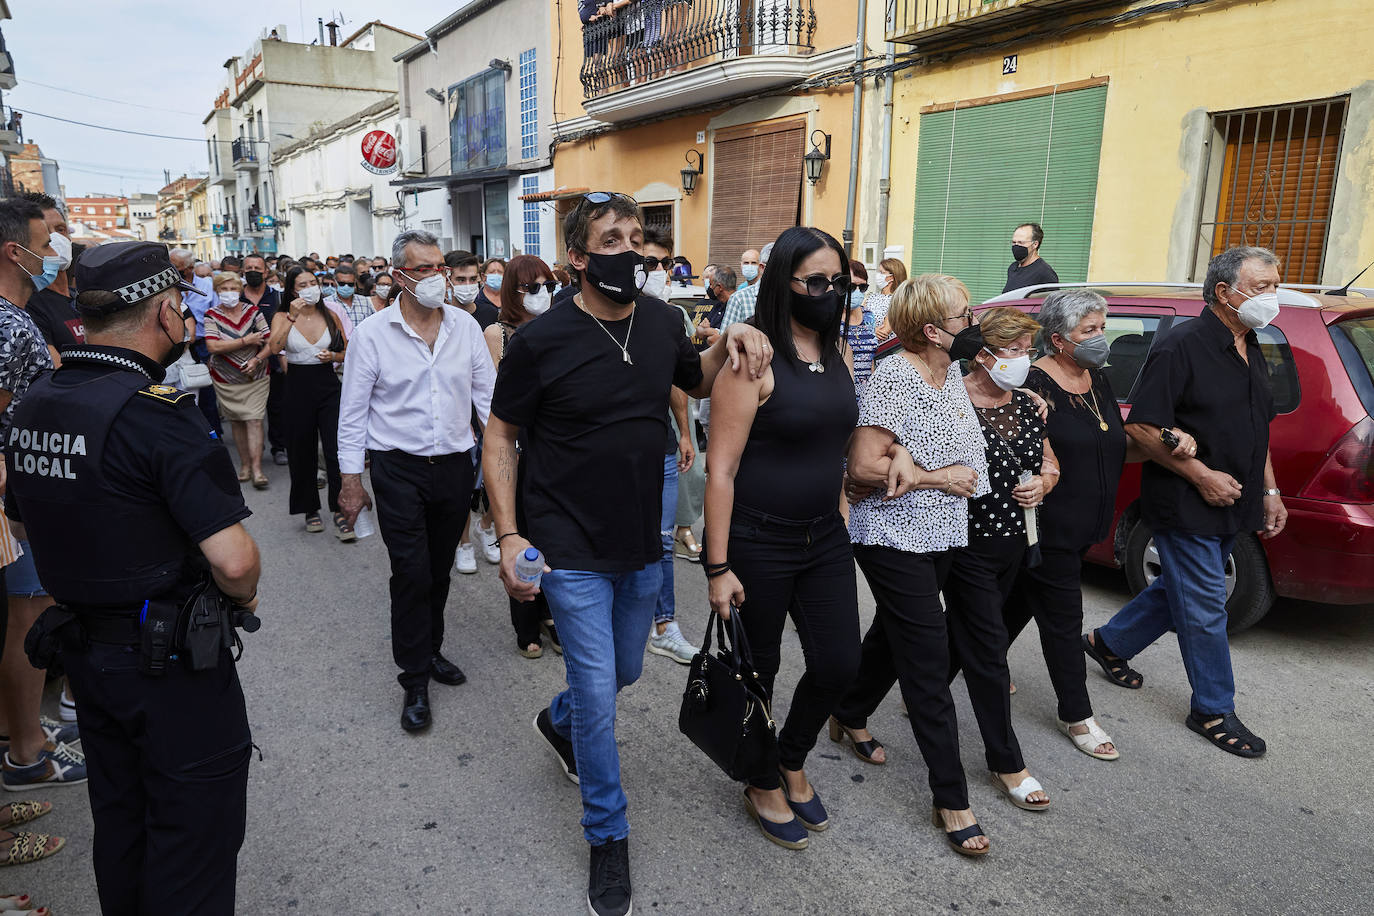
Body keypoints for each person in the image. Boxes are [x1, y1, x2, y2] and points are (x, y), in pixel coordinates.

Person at [483, 191, 770, 916]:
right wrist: (511, 534)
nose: (632, 249)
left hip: (640, 538)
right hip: (568, 543)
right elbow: (499, 437)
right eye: (612, 238)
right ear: (578, 258)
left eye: (638, 237)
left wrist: (730, 343)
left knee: (626, 670)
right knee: (600, 694)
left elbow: (693, 378)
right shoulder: (540, 342)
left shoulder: (663, 320)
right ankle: (607, 835)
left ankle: (560, 718)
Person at [6, 240, 262, 914]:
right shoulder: (158, 417)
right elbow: (234, 562)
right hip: (170, 662)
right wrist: (243, 594)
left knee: (122, 822)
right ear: (166, 313)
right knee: (192, 839)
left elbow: (27, 521)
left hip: (87, 654)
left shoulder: (36, 403)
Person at [853, 308, 1056, 809]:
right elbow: (876, 453)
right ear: (981, 353)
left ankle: (848, 708)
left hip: (998, 540)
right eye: (1013, 350)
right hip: (949, 535)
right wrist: (911, 468)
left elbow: (1048, 462)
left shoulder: (1027, 403)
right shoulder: (941, 388)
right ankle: (1000, 766)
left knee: (896, 636)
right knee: (973, 649)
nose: (1024, 360)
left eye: (1028, 350)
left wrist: (1046, 480)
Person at [1088, 247, 1283, 758]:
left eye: (1274, 285)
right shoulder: (1182, 346)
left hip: (1233, 499)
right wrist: (1200, 475)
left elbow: (1258, 428)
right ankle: (1213, 709)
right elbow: (1142, 427)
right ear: (1224, 292)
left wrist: (1270, 489)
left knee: (1181, 586)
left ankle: (1109, 644)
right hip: (1186, 500)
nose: (1272, 297)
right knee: (1204, 607)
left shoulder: (1250, 343)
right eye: (1261, 287)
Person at [705, 226, 860, 849]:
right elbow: (720, 469)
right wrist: (717, 567)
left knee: (839, 662)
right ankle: (762, 777)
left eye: (839, 282)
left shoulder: (840, 352)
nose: (830, 292)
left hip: (824, 537)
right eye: (815, 282)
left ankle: (792, 755)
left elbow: (838, 444)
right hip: (758, 539)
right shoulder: (754, 359)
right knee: (758, 669)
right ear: (784, 284)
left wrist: (844, 505)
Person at [832, 274, 995, 856]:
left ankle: (848, 711)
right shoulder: (897, 376)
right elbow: (862, 470)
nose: (971, 324)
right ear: (931, 329)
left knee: (891, 635)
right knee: (928, 653)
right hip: (891, 536)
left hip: (943, 532)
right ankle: (951, 797)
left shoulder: (949, 373)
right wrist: (935, 476)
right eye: (963, 317)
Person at [1005, 288, 1195, 761]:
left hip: (1084, 526)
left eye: (1102, 327)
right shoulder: (1033, 384)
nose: (1102, 338)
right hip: (1044, 528)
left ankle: (928, 685)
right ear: (1058, 339)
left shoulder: (1096, 381)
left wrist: (1165, 444)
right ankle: (1077, 714)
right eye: (1089, 331)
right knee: (1064, 619)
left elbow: (1113, 446)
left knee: (1003, 612)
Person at [338, 230, 495, 732]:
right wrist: (350, 481)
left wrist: (503, 464)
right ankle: (414, 680)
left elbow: (488, 401)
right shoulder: (373, 335)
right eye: (424, 269)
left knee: (440, 569)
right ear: (400, 275)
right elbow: (353, 415)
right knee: (411, 573)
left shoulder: (465, 329)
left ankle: (431, 650)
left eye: (439, 268)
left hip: (452, 466)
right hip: (397, 468)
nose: (436, 278)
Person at [0, 198, 84, 794]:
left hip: (22, 494)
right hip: (16, 500)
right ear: (15, 250)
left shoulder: (16, 318)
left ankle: (21, 731)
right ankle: (27, 753)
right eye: (51, 234)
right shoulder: (6, 323)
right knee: (28, 616)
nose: (62, 243)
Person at [484, 254, 559, 659]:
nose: (542, 293)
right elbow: (497, 401)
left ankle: (551, 615)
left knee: (553, 537)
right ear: (513, 290)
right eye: (532, 287)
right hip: (515, 444)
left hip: (551, 444)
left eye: (547, 285)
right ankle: (526, 623)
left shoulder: (560, 327)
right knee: (523, 538)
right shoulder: (499, 333)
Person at [640, 228, 697, 665]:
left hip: (659, 449)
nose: (658, 271)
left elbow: (679, 381)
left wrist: (682, 430)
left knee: (661, 540)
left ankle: (664, 625)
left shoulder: (671, 319)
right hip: (616, 457)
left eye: (664, 263)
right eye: (650, 263)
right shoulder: (600, 315)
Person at [270, 266, 350, 539]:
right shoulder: (282, 315)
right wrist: (291, 317)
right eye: (302, 284)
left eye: (312, 282)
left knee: (335, 450)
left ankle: (341, 508)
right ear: (293, 290)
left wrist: (335, 358)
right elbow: (273, 347)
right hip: (297, 386)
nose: (309, 288)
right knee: (301, 450)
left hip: (328, 385)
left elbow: (347, 348)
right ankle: (309, 508)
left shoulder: (330, 314)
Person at [202, 271, 272, 489]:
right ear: (217, 291)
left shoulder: (254, 312)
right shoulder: (211, 315)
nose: (229, 293)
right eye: (224, 289)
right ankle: (245, 465)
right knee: (237, 421)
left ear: (240, 291)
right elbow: (213, 346)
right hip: (226, 378)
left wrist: (258, 358)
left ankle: (258, 469)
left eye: (233, 289)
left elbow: (271, 342)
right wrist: (246, 340)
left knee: (254, 419)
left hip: (256, 375)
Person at [19, 192, 81, 363]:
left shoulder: (80, 297)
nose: (56, 239)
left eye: (61, 229)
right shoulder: (28, 308)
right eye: (45, 231)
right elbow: (58, 375)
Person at [170, 248, 224, 438]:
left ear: (189, 268)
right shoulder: (169, 286)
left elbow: (217, 315)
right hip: (178, 348)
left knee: (207, 393)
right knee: (182, 394)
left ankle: (214, 435)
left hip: (203, 343)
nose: (172, 270)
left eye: (176, 267)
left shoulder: (207, 285)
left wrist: (214, 349)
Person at [721, 242, 772, 329]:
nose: (749, 266)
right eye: (746, 263)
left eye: (753, 263)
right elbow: (727, 337)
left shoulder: (789, 296)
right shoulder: (739, 297)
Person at [846, 258, 877, 399]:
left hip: (866, 394)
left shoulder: (868, 316)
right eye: (851, 287)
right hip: (841, 393)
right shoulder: (829, 318)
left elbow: (871, 358)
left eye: (862, 287)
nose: (857, 292)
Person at [1002, 222, 1059, 293]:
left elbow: (1052, 302)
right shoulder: (1013, 267)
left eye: (1021, 242)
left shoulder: (1045, 272)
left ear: (1035, 244)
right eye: (1014, 242)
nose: (1016, 246)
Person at [869, 257, 908, 338]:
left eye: (882, 273)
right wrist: (871, 331)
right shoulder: (872, 296)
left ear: (892, 277)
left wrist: (865, 331)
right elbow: (855, 323)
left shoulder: (898, 300)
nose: (878, 275)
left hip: (885, 349)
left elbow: (884, 332)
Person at [329, 262, 371, 329]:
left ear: (355, 283)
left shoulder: (365, 301)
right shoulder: (327, 303)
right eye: (342, 283)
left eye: (350, 284)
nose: (346, 286)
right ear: (335, 283)